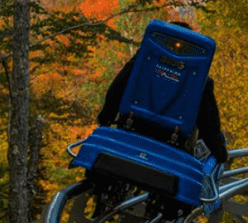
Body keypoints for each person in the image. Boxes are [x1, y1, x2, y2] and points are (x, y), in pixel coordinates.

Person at [96, 21, 228, 164]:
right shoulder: (200, 81)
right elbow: (209, 126)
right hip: (171, 147)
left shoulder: (142, 63)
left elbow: (117, 88)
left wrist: (105, 119)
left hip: (130, 129)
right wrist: (221, 155)